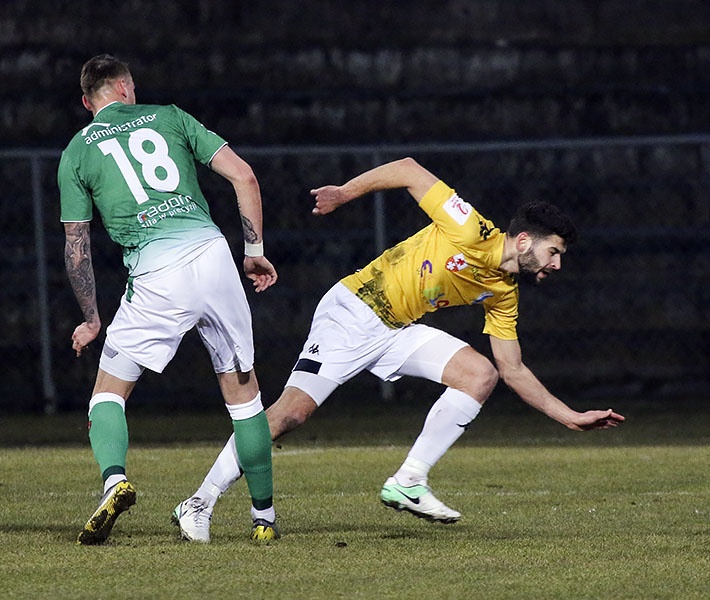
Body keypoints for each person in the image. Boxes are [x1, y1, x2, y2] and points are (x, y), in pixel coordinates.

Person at [174, 157, 625, 542]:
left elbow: (513, 369)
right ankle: (198, 502)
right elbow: (409, 170)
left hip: (396, 328)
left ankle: (409, 481)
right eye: (554, 251)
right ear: (525, 241)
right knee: (288, 416)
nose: (557, 264)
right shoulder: (470, 228)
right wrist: (343, 193)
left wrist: (570, 416)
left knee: (481, 375)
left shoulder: (504, 290)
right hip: (353, 311)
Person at [58, 54, 279, 545]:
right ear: (124, 88)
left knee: (108, 394)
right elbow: (244, 177)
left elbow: (77, 245)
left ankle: (115, 480)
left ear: (87, 100)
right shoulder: (171, 115)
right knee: (245, 398)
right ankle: (263, 520)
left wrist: (91, 318)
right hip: (213, 253)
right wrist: (255, 253)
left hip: (157, 271)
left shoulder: (76, 152)